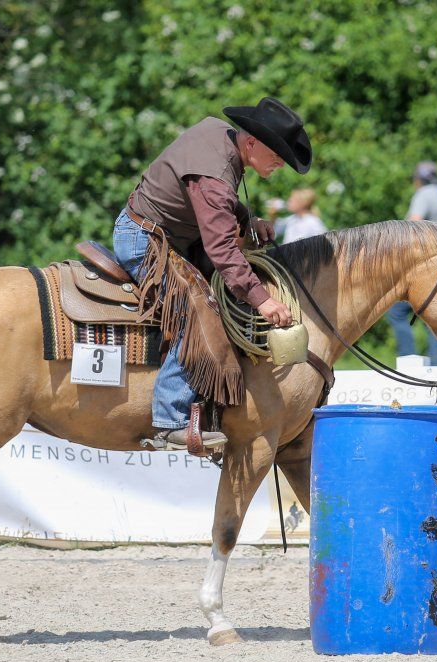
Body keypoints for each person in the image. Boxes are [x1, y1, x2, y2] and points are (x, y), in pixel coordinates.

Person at [112, 96, 311, 450]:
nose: (280, 162)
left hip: (169, 237)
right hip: (143, 241)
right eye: (277, 154)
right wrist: (262, 300)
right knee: (198, 309)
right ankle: (169, 418)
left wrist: (248, 220)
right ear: (251, 143)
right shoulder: (215, 173)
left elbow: (215, 203)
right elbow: (221, 248)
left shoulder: (221, 136)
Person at [386, 161, 437, 365]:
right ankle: (436, 365)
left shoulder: (423, 195)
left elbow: (414, 223)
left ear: (418, 179)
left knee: (396, 313)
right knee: (432, 318)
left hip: (420, 265)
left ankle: (408, 360)